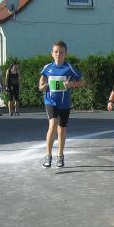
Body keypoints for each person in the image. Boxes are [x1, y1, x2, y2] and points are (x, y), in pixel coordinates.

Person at [38, 40, 85, 168]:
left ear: (66, 54)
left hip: (64, 103)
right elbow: (41, 84)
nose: (58, 54)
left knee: (62, 129)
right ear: (52, 53)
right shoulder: (47, 68)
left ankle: (60, 155)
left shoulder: (69, 68)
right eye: (56, 52)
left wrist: (72, 84)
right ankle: (48, 155)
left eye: (61, 52)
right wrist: (43, 87)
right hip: (50, 101)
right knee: (53, 124)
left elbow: (82, 82)